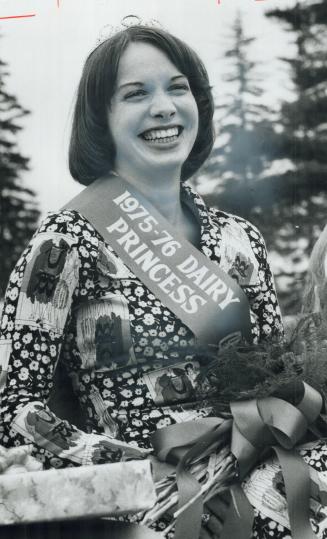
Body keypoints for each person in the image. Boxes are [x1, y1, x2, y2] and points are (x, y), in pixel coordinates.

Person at [0, 21, 288, 538]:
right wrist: (133, 467)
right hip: (145, 503)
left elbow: (279, 386)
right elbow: (13, 406)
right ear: (100, 121)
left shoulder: (241, 241)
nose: (164, 107)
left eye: (178, 88)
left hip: (254, 483)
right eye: (136, 94)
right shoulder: (65, 244)